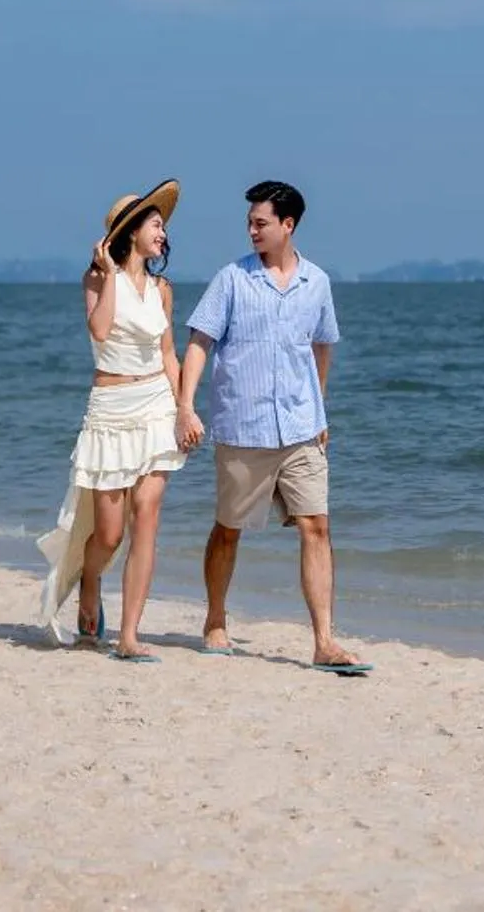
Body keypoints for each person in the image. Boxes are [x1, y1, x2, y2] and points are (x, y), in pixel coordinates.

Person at [179, 180, 366, 673]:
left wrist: (319, 409)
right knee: (229, 531)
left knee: (317, 527)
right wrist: (186, 405)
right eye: (249, 223)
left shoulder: (317, 283)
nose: (252, 230)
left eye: (261, 223)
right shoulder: (232, 280)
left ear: (289, 225)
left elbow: (322, 344)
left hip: (302, 427)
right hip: (244, 427)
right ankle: (215, 620)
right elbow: (200, 342)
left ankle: (324, 641)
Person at [36, 181, 203, 661]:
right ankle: (90, 581)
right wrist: (109, 273)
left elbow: (168, 353)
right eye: (155, 224)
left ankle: (129, 635)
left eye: (163, 226)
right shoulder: (96, 281)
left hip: (155, 405)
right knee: (108, 534)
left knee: (146, 515)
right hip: (110, 409)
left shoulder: (163, 290)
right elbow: (102, 329)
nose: (163, 233)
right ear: (130, 232)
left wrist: (185, 408)